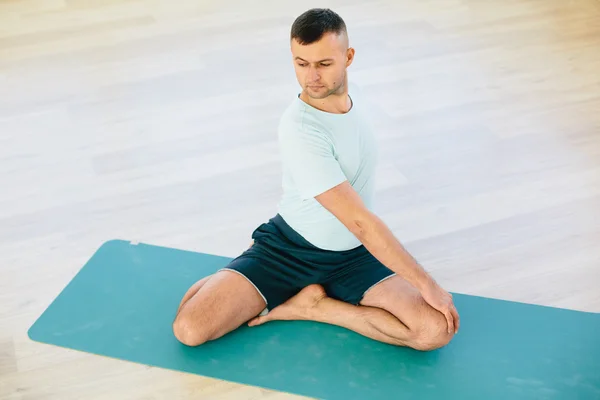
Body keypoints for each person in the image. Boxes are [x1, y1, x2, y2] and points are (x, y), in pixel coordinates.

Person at [172, 8, 459, 351]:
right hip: (289, 250)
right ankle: (244, 273)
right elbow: (360, 220)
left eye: (323, 64)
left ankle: (315, 308)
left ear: (348, 57)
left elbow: (359, 228)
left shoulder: (357, 103)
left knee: (435, 330)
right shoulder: (300, 129)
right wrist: (427, 284)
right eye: (301, 63)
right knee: (190, 328)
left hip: (353, 255)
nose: (312, 77)